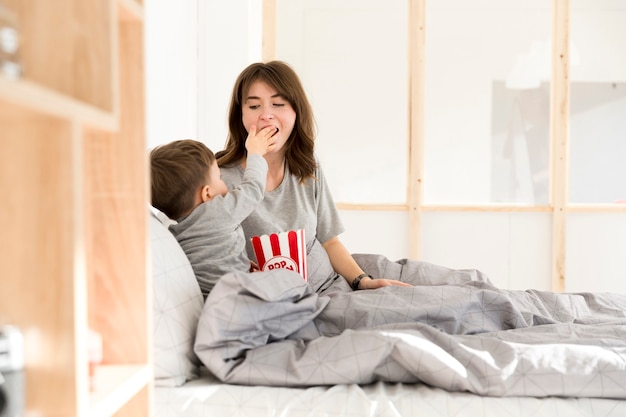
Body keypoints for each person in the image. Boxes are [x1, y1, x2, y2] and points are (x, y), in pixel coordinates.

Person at [216, 60, 411, 292]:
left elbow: (330, 241)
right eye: (254, 107)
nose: (266, 115)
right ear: (240, 116)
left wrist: (363, 281)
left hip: (332, 284)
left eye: (278, 103)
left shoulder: (307, 168)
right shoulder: (220, 179)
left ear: (296, 112)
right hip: (279, 299)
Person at [150, 127, 277, 297]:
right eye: (219, 177)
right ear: (207, 193)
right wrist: (255, 154)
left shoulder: (175, 234)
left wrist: (243, 264)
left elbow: (214, 258)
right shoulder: (218, 210)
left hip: (211, 304)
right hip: (240, 297)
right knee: (288, 282)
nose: (224, 182)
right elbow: (253, 189)